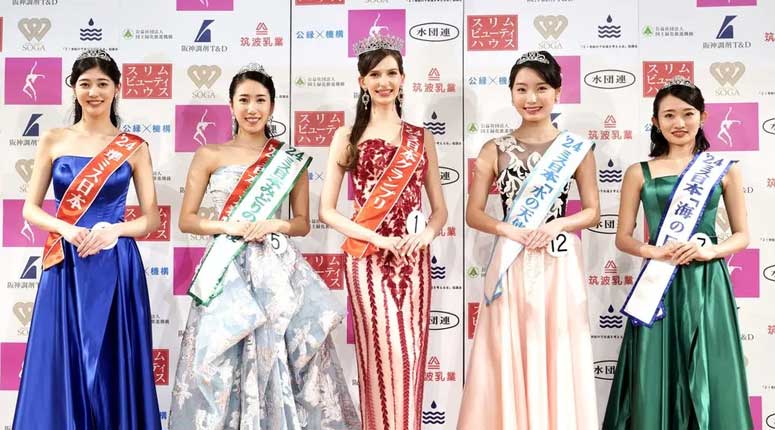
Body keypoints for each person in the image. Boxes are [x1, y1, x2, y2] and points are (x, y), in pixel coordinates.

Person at [169, 65, 359, 430]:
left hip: (275, 270)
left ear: (272, 106)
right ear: (231, 105)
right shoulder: (209, 153)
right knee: (224, 362)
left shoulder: (289, 160)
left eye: (260, 100)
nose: (252, 108)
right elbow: (187, 220)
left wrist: (275, 224)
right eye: (244, 100)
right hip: (226, 270)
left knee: (281, 360)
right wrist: (227, 225)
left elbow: (302, 223)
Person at [14, 49, 162, 429]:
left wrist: (115, 230)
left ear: (116, 89)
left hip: (116, 262)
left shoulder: (134, 146)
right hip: (65, 261)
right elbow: (30, 209)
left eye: (102, 84)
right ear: (74, 89)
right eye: (85, 84)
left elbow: (151, 218)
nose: (93, 92)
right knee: (63, 358)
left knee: (115, 361)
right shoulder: (53, 139)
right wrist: (65, 228)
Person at [459, 50, 600, 430]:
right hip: (513, 259)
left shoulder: (576, 148)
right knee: (508, 346)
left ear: (558, 91)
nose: (531, 98)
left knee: (555, 345)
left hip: (558, 260)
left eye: (541, 88)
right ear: (510, 94)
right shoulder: (494, 148)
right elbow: (474, 213)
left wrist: (557, 226)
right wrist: (509, 230)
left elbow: (592, 211)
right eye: (522, 89)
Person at [603, 77, 752, 430]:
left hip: (707, 282)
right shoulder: (638, 173)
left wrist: (709, 250)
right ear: (655, 122)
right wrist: (655, 250)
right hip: (658, 283)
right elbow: (623, 238)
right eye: (668, 115)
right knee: (655, 369)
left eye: (687, 114)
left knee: (711, 367)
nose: (679, 123)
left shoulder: (723, 169)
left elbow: (743, 235)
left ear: (703, 116)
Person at [318, 34, 448, 430]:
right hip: (367, 259)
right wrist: (377, 239)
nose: (384, 81)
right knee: (380, 359)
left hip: (413, 259)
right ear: (362, 82)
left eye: (391, 73)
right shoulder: (347, 136)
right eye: (375, 74)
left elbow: (440, 210)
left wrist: (425, 235)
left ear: (403, 78)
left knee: (410, 361)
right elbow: (326, 210)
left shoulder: (420, 137)